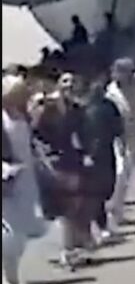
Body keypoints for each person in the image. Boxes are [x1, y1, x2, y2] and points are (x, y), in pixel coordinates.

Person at [29, 73, 97, 270]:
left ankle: (69, 250)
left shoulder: (76, 108)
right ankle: (67, 249)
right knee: (59, 208)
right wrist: (43, 154)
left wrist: (87, 153)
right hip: (50, 161)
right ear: (58, 85)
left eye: (73, 82)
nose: (70, 85)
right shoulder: (45, 106)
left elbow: (84, 133)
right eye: (65, 81)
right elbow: (34, 132)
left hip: (71, 159)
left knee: (72, 206)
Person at [3, 70, 50, 284]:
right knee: (8, 232)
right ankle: (6, 278)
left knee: (21, 231)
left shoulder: (23, 114)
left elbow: (33, 140)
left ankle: (11, 274)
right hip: (6, 177)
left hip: (26, 177)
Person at [104, 58, 135, 229]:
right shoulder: (110, 92)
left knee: (126, 173)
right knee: (119, 171)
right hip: (115, 136)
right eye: (116, 71)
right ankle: (111, 208)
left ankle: (118, 209)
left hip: (133, 137)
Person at [81, 75, 123, 245]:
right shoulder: (83, 109)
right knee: (95, 192)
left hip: (106, 151)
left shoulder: (109, 106)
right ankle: (98, 226)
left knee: (107, 188)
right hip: (91, 153)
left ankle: (100, 224)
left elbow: (118, 126)